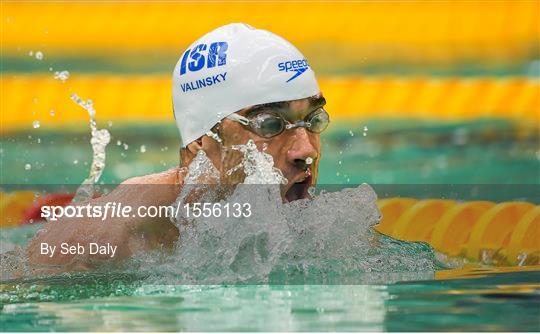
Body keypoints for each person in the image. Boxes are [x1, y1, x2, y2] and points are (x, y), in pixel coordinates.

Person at [26, 23, 329, 273]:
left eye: (312, 120)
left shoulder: (324, 227)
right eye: (270, 124)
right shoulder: (107, 235)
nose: (306, 151)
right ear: (200, 142)